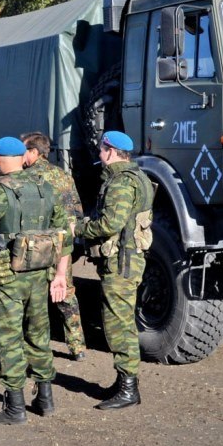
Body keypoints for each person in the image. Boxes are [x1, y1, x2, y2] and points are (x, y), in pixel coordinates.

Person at [0, 137, 70, 425]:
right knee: (39, 335)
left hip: (6, 278)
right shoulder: (45, 187)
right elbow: (65, 237)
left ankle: (15, 407)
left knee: (9, 338)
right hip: (39, 274)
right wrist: (60, 275)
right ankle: (45, 398)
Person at [74, 131, 155, 410]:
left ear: (111, 151)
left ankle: (128, 388)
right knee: (121, 321)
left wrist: (79, 228)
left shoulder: (121, 183)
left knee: (118, 325)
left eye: (101, 149)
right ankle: (124, 382)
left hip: (121, 263)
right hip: (128, 260)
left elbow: (110, 224)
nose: (99, 154)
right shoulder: (137, 177)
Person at [22, 131, 87, 361]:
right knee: (66, 293)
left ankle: (33, 346)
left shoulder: (25, 177)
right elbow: (75, 212)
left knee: (33, 295)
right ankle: (77, 346)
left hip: (34, 246)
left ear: (33, 152)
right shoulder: (63, 176)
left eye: (23, 150)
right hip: (60, 245)